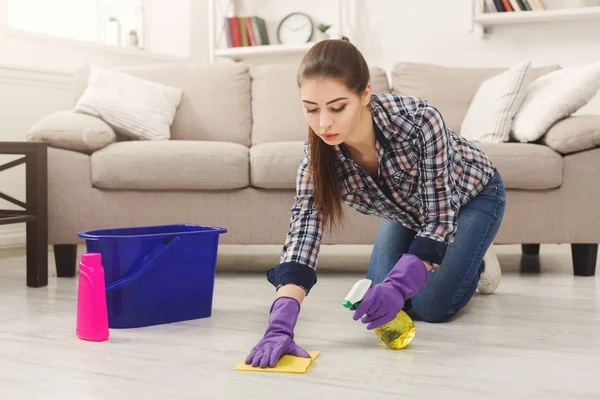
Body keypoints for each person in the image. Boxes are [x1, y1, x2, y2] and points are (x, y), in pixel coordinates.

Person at [244, 37, 506, 369]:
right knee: (378, 301)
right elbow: (303, 236)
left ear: (365, 94)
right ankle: (447, 254)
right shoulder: (316, 157)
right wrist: (279, 324)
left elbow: (440, 219)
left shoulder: (418, 120)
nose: (323, 122)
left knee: (430, 306)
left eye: (337, 107)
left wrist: (401, 284)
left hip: (470, 198)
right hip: (407, 212)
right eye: (311, 108)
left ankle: (475, 256)